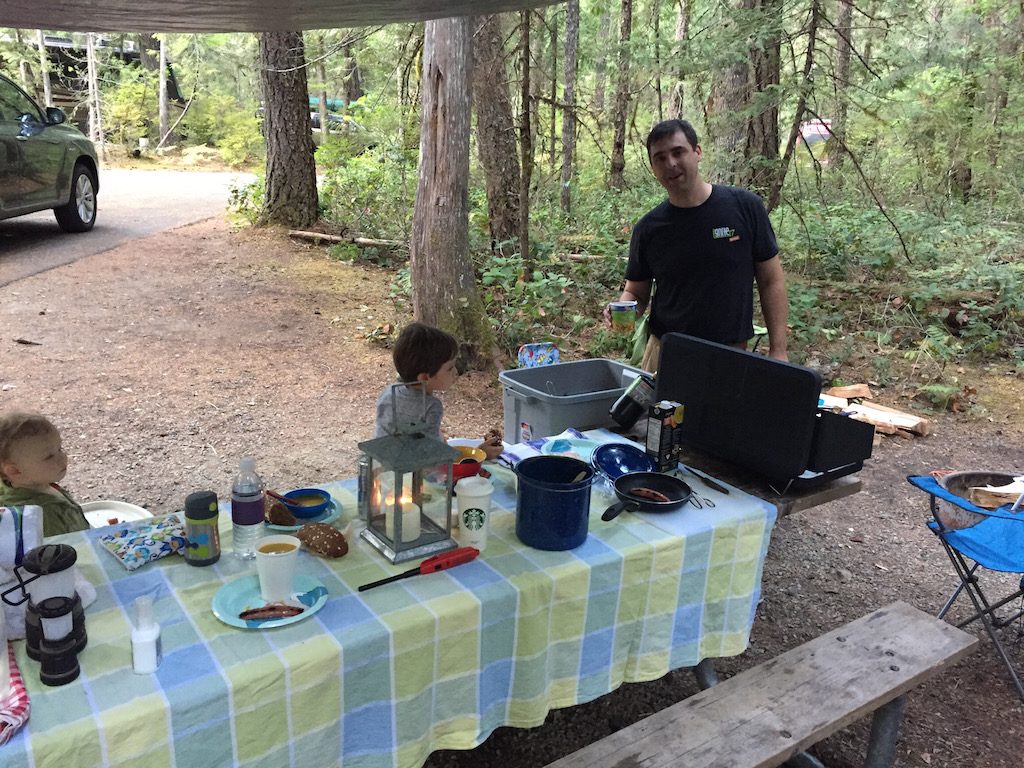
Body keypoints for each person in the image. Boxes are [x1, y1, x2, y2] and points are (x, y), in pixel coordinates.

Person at [605, 119, 789, 372]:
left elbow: (771, 281)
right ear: (653, 167)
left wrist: (779, 350)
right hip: (666, 352)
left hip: (731, 352)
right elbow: (636, 293)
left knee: (725, 413)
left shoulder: (745, 207)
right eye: (660, 158)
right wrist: (622, 310)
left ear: (697, 152)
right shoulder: (649, 228)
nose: (670, 163)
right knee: (658, 413)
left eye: (678, 152)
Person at [374, 322, 503, 459]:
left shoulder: (388, 393)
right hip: (413, 474)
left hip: (381, 468)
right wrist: (480, 454)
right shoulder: (430, 406)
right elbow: (436, 458)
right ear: (424, 377)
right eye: (449, 368)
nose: (455, 372)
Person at [0, 412, 90, 538]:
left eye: (59, 448)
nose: (62, 458)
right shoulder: (42, 516)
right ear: (15, 471)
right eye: (49, 457)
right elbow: (61, 552)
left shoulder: (36, 483)